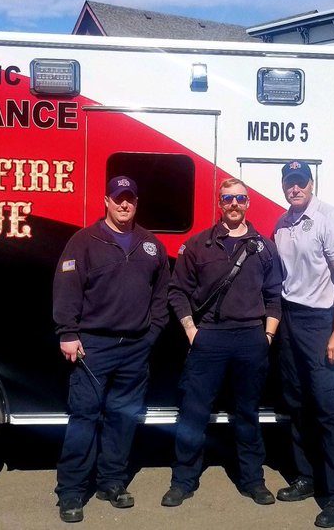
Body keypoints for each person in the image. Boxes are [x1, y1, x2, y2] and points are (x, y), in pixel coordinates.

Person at [51, 175, 170, 523]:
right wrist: (67, 332)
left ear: (137, 202)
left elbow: (162, 295)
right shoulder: (84, 240)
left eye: (130, 198)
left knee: (123, 418)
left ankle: (112, 482)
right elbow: (67, 287)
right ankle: (71, 491)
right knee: (84, 418)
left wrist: (152, 334)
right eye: (118, 198)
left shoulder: (151, 244)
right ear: (106, 200)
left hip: (135, 347)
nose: (124, 204)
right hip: (93, 346)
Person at [162, 178, 284, 508]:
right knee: (193, 412)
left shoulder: (264, 246)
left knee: (247, 414)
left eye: (240, 198)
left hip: (250, 339)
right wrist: (192, 331)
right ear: (220, 203)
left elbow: (274, 296)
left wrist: (268, 335)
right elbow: (177, 291)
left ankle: (253, 480)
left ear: (248, 203)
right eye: (228, 198)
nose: (234, 204)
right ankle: (183, 481)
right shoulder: (199, 245)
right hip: (209, 338)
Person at [272, 161, 334, 528]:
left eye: (300, 182)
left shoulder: (330, 219)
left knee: (326, 409)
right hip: (290, 319)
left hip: (320, 322)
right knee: (296, 402)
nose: (295, 189)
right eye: (290, 183)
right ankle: (306, 476)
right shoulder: (282, 223)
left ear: (311, 183)